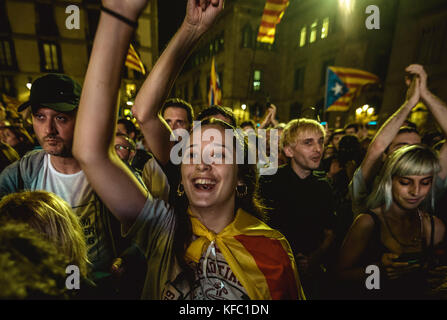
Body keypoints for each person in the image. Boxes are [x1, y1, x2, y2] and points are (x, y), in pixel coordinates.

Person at [73, 0, 303, 300]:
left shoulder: (272, 250)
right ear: (180, 178)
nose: (202, 164)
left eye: (219, 154)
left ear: (242, 178)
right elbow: (91, 152)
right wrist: (119, 14)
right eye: (191, 153)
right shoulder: (160, 228)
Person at [0, 73, 125, 275]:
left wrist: (127, 259)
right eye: (40, 116)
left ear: (81, 118)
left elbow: (147, 225)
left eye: (60, 118)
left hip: (100, 285)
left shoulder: (108, 169)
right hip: (47, 286)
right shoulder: (21, 174)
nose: (49, 129)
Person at [337, 145, 445, 299]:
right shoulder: (368, 223)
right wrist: (378, 271)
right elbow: (340, 276)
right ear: (389, 180)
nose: (415, 191)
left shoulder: (434, 226)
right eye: (405, 182)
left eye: (425, 182)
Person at [349, 65, 447, 215]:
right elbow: (377, 147)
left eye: (416, 147)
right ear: (385, 154)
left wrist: (425, 93)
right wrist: (409, 103)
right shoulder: (369, 187)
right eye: (402, 147)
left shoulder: (426, 188)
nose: (416, 191)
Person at [258, 118, 336, 299]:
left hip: (311, 277)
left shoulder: (324, 186)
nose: (318, 149)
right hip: (272, 275)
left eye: (320, 141)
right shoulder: (268, 183)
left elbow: (330, 232)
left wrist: (313, 259)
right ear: (288, 150)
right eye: (308, 142)